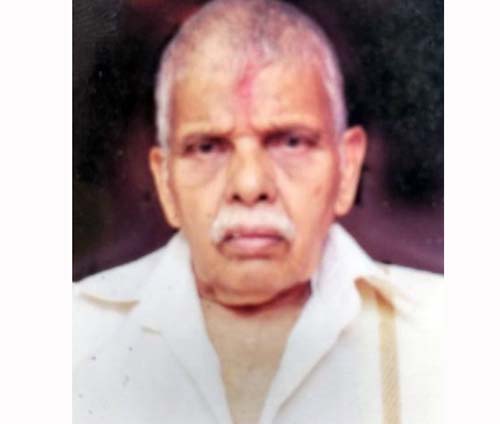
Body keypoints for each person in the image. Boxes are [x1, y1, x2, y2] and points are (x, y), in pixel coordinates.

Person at [73, 0, 443, 423]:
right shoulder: (69, 338)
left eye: (290, 142)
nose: (249, 186)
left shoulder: (448, 335)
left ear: (347, 167)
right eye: (207, 147)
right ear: (165, 181)